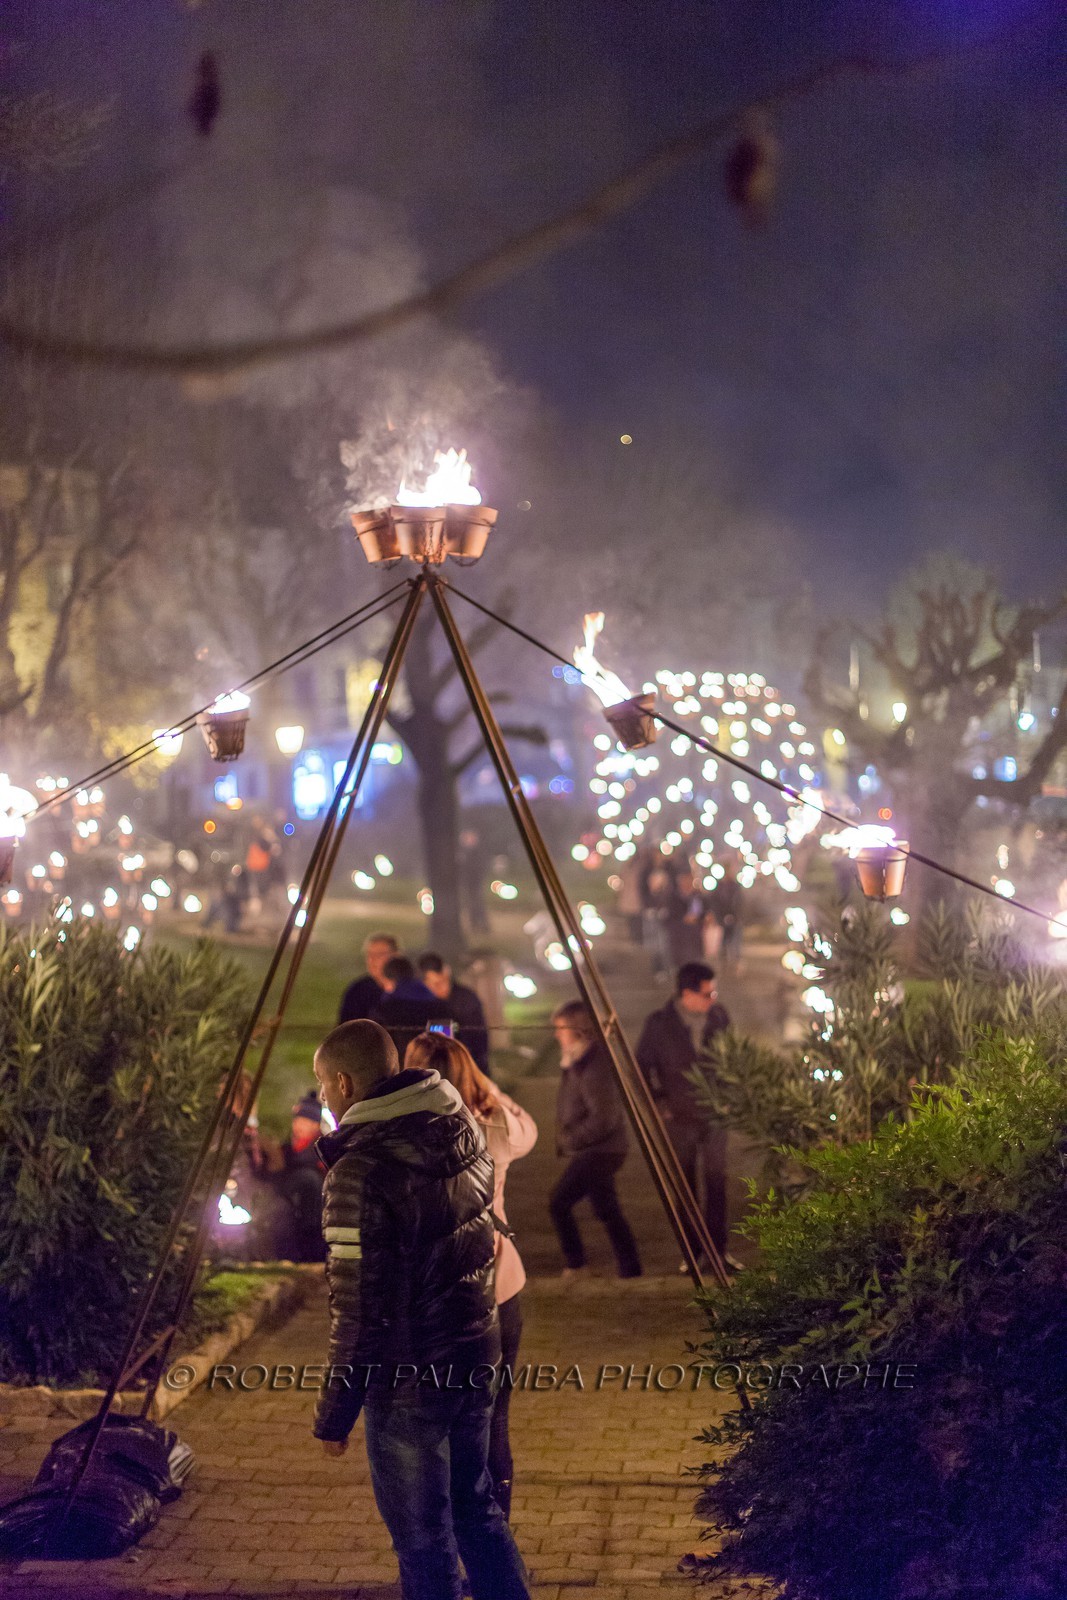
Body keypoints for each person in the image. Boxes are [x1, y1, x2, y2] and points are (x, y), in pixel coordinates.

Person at [313, 1019, 530, 1600]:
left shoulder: (358, 1171)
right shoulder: (457, 1127)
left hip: (410, 1379)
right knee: (478, 1513)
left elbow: (357, 1310)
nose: (323, 1100)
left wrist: (335, 1415)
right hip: (475, 1349)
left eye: (323, 1087)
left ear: (343, 1082)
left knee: (424, 1543)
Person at [405, 1032, 536, 1519]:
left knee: (435, 1422)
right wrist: (484, 1084)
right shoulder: (495, 1124)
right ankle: (493, 1531)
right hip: (500, 1284)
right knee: (493, 1419)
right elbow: (531, 1130)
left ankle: (443, 1540)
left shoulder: (408, 1134)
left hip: (435, 1294)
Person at [635, 961, 740, 1271]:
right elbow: (641, 1067)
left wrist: (731, 1096)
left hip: (715, 1115)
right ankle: (693, 1256)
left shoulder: (719, 1018)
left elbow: (733, 1059)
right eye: (707, 994)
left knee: (717, 1183)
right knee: (685, 1186)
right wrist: (659, 1102)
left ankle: (719, 1253)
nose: (713, 999)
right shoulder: (659, 1024)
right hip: (679, 1117)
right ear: (686, 993)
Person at [548, 999, 642, 1280]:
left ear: (578, 1030)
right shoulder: (578, 1060)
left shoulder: (594, 1065)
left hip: (600, 1150)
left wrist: (572, 1139)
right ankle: (631, 1268)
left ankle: (576, 1265)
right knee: (606, 1208)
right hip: (597, 1149)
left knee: (559, 1202)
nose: (556, 1035)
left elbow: (605, 1117)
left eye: (561, 1029)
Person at [270, 1089, 327, 1262]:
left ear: (316, 1125)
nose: (299, 1125)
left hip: (314, 1210)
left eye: (306, 1121)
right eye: (298, 1120)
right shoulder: (286, 1149)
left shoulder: (322, 1148)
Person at [417, 951, 492, 1077]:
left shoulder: (466, 998)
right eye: (436, 984)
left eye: (444, 980)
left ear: (448, 973)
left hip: (470, 1066)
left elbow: (479, 1038)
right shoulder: (421, 1005)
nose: (443, 987)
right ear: (424, 983)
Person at [370, 955, 449, 1059]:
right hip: (435, 1070)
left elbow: (375, 1047)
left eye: (385, 984)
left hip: (399, 1071)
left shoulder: (384, 1010)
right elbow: (447, 1043)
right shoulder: (440, 1007)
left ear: (391, 981)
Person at [338, 931, 400, 1023]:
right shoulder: (358, 990)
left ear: (395, 956)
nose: (372, 960)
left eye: (379, 955)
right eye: (369, 954)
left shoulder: (408, 988)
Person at [710, 866, 744, 974]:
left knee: (735, 942)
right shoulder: (719, 887)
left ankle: (736, 963)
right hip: (722, 918)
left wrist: (738, 916)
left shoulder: (736, 886)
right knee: (723, 942)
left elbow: (740, 902)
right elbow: (715, 903)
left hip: (735, 918)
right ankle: (723, 964)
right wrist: (719, 917)